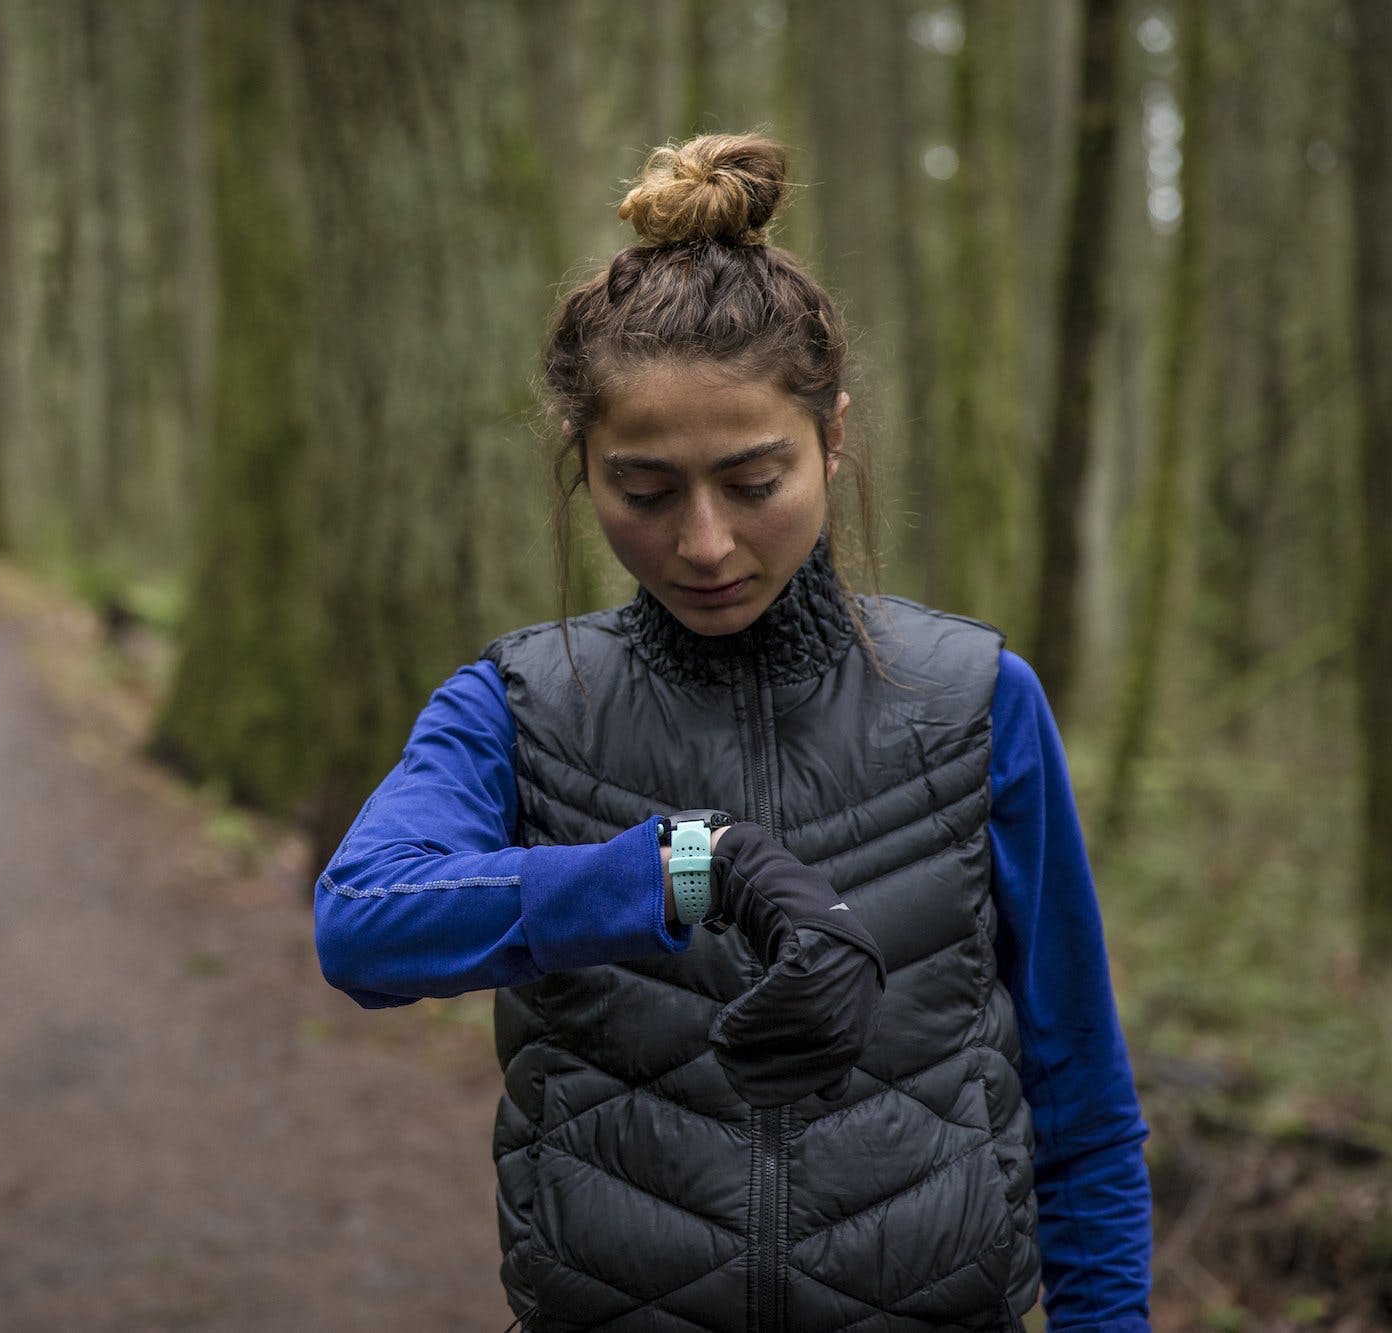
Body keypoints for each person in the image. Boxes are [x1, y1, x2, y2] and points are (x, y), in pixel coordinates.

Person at [312, 133, 1151, 1332]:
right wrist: (674, 869)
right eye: (643, 492)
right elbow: (360, 925)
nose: (702, 544)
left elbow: (1077, 1096)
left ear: (833, 438)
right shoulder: (518, 705)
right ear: (582, 466)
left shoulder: (976, 699)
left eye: (754, 482)